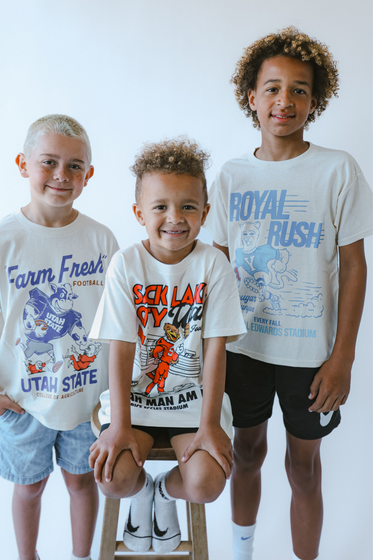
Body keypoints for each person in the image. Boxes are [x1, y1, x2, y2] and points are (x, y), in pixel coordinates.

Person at [204, 27, 373, 560]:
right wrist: (210, 352)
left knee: (304, 468)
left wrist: (343, 357)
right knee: (246, 454)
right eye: (273, 88)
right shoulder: (231, 176)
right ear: (251, 97)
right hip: (243, 350)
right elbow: (218, 270)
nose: (285, 100)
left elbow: (354, 266)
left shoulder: (338, 170)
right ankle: (243, 553)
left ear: (314, 101)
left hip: (311, 356)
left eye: (299, 90)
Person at [0, 114, 119, 560]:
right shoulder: (1, 239)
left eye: (74, 166)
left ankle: (81, 557)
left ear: (88, 174)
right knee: (28, 488)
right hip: (22, 401)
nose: (61, 175)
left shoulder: (101, 239)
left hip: (88, 401)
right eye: (49, 162)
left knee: (81, 482)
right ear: (23, 164)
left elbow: (118, 322)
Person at [89, 137, 246, 554]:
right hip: (134, 402)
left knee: (206, 484)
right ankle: (143, 490)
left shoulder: (213, 264)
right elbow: (121, 347)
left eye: (188, 206)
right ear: (139, 213)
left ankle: (164, 492)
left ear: (204, 212)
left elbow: (216, 348)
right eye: (160, 206)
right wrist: (119, 425)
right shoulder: (126, 264)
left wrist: (209, 424)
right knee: (113, 479)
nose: (174, 217)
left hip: (194, 404)